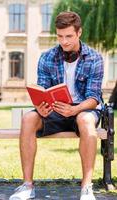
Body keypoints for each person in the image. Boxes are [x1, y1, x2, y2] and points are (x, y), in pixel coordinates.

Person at [9, 11, 103, 200]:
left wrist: (75, 109)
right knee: (28, 118)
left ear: (79, 33)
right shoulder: (47, 57)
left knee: (85, 120)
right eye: (60, 36)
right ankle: (27, 186)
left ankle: (86, 187)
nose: (64, 41)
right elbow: (42, 89)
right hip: (55, 110)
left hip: (83, 109)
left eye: (69, 36)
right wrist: (42, 106)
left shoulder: (94, 58)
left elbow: (94, 97)